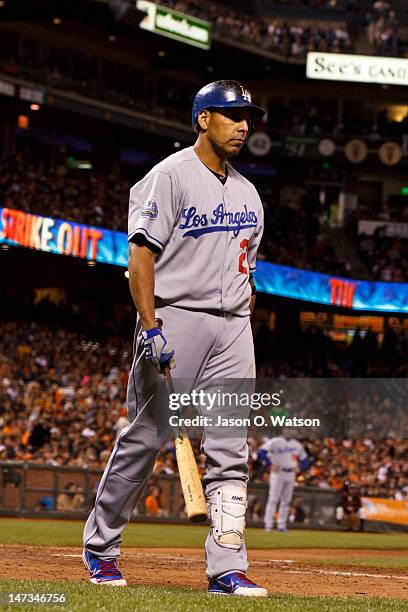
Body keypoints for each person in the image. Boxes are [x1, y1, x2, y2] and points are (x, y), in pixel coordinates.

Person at [82, 80, 267, 596]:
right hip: (175, 317)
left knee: (231, 448)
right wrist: (150, 325)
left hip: (233, 327)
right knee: (144, 439)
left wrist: (242, 314)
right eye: (232, 115)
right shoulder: (168, 176)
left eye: (247, 117)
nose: (243, 126)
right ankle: (101, 548)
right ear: (202, 119)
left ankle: (226, 567)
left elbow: (247, 268)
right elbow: (140, 256)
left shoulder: (250, 193)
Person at [260, 430, 308, 532]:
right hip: (278, 473)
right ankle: (268, 525)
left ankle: (281, 525)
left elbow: (305, 459)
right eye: (287, 428)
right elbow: (262, 452)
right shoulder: (275, 441)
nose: (289, 431)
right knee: (273, 499)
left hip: (291, 473)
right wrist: (270, 463)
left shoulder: (297, 444)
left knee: (286, 501)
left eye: (291, 428)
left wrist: (300, 467)